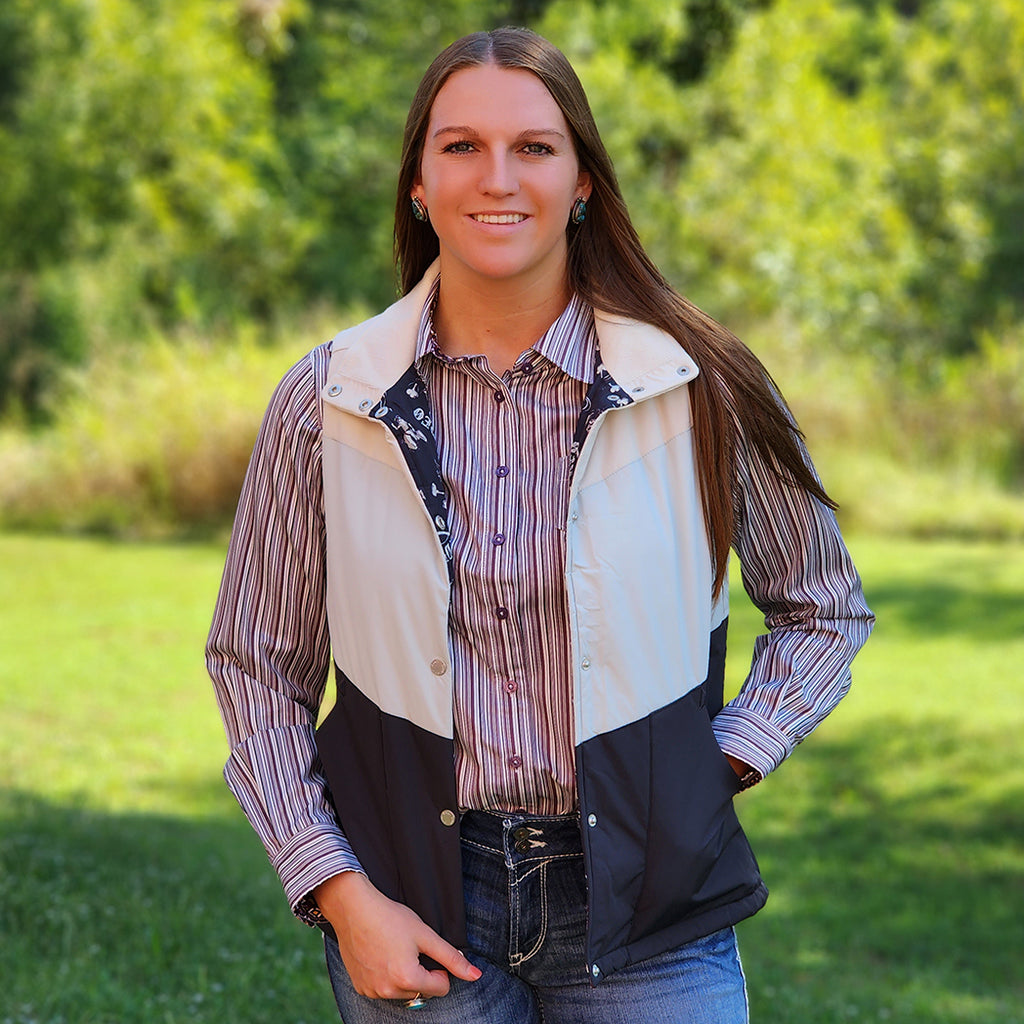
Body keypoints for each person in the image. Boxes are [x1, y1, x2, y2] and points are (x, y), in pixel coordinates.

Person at [207, 26, 873, 1024]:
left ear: (583, 181)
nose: (498, 178)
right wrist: (340, 894)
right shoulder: (331, 398)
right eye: (461, 146)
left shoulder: (696, 386)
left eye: (534, 147)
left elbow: (822, 607)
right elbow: (256, 665)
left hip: (653, 907)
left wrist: (726, 755)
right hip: (417, 898)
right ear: (418, 184)